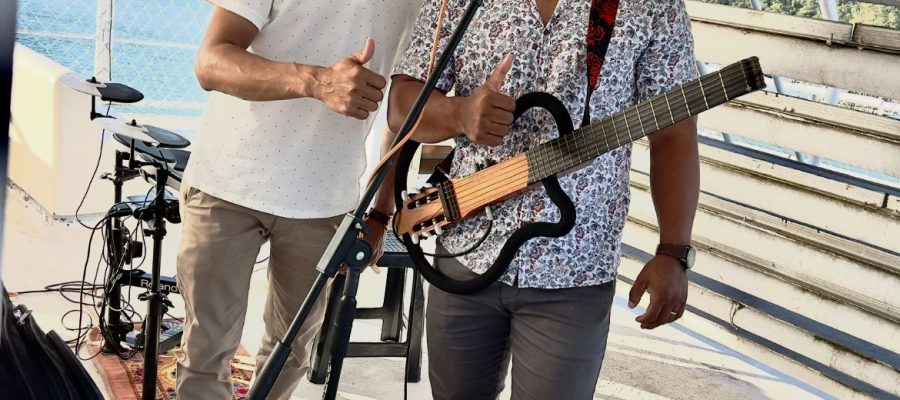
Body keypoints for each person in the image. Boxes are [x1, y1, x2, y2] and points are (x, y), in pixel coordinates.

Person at [388, 0, 699, 398]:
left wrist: (673, 251)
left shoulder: (653, 6)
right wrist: (459, 113)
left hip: (575, 266)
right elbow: (401, 106)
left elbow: (674, 131)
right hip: (465, 251)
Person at [175, 1, 418, 398]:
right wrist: (317, 81)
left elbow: (404, 114)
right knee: (204, 356)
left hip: (324, 203)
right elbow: (211, 61)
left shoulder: (421, 6)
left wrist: (380, 213)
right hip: (227, 184)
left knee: (291, 357)